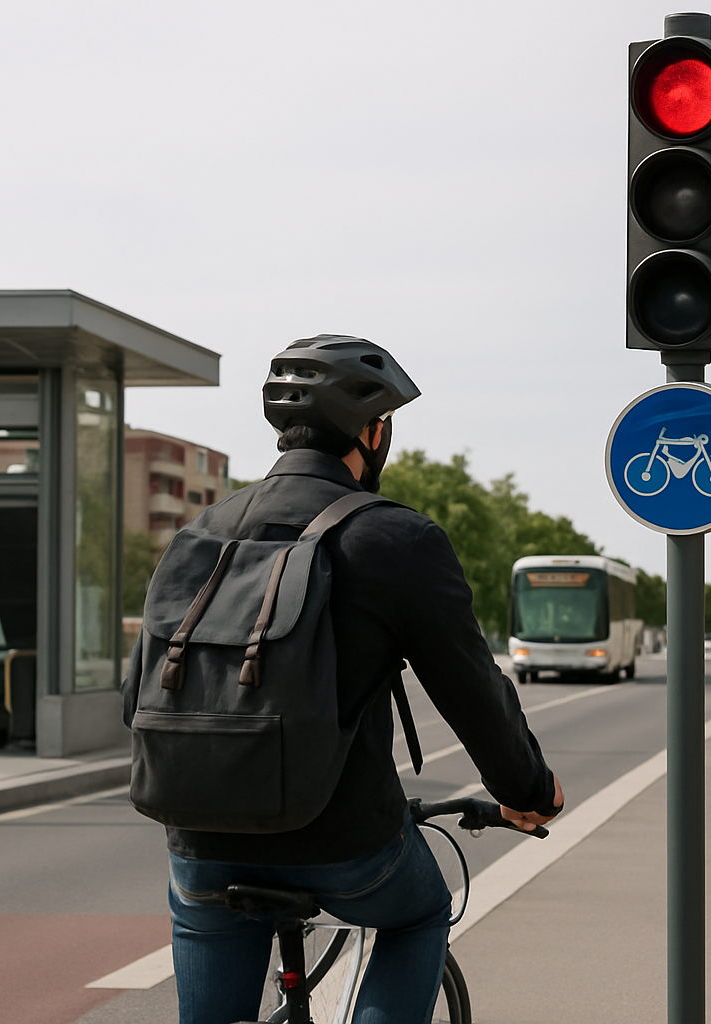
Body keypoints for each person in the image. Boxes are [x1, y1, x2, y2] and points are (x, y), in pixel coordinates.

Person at [128, 335, 564, 1024]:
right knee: (420, 913)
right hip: (343, 843)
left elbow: (140, 693)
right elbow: (472, 691)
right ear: (373, 431)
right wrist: (529, 790)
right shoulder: (396, 539)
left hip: (200, 839)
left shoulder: (199, 533)